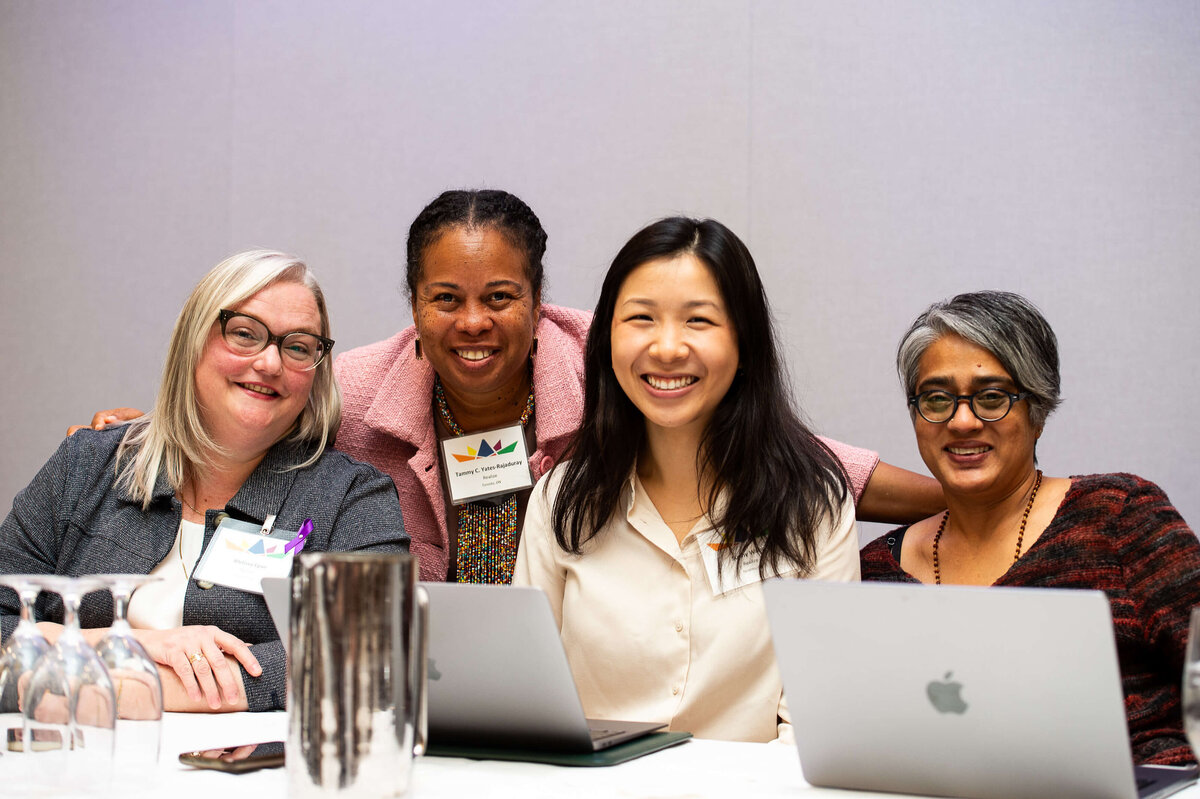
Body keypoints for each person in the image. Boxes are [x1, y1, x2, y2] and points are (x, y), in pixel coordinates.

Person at [69, 189, 944, 584]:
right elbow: (261, 397)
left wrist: (955, 499)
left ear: (538, 300)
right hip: (428, 667)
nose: (473, 322)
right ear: (413, 303)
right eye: (445, 299)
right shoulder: (361, 384)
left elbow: (788, 449)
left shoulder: (615, 358)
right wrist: (163, 425)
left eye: (500, 297)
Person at [1, 250, 407, 715]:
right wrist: (129, 646)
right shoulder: (89, 463)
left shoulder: (353, 498)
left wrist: (107, 686)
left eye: (298, 346)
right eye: (244, 334)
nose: (270, 363)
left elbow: (372, 653)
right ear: (193, 342)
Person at [514, 217, 862, 743]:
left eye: (698, 321)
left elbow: (816, 719)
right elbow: (531, 696)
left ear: (744, 342)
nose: (668, 347)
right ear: (607, 336)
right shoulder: (563, 498)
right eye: (641, 319)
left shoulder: (813, 504)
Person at [858, 290, 1200, 765]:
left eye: (992, 397)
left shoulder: (1120, 516)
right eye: (936, 399)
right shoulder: (874, 572)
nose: (961, 421)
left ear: (1036, 413)